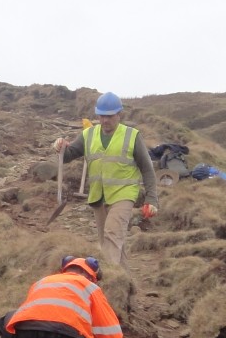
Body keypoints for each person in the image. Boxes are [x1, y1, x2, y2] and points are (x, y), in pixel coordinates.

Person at [52, 92, 160, 265]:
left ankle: (107, 282)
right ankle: (126, 287)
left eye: (109, 116)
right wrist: (61, 147)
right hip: (98, 196)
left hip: (123, 194)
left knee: (111, 236)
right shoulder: (89, 135)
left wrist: (152, 198)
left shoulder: (132, 136)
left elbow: (147, 169)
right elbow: (67, 155)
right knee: (112, 243)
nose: (105, 120)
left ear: (119, 114)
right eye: (101, 116)